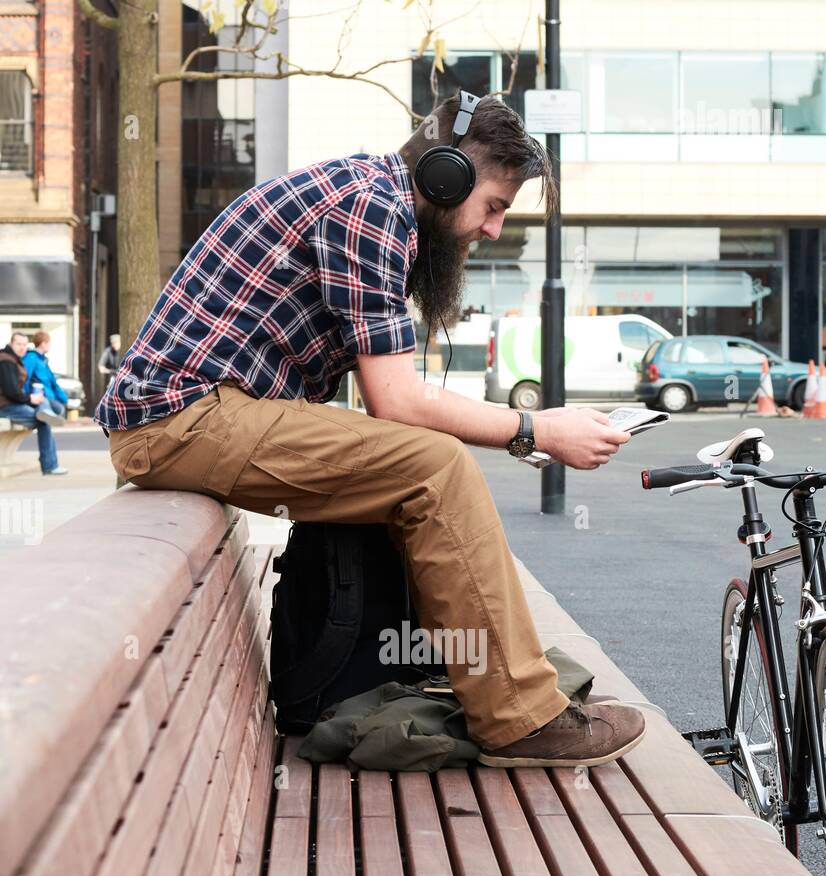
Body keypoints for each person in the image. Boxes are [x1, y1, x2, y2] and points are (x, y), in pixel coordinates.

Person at [95, 92, 642, 768]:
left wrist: (523, 429)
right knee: (434, 465)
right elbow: (398, 401)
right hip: (179, 418)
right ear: (447, 178)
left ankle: (462, 679)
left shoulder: (374, 199)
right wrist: (535, 429)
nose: (494, 230)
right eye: (495, 206)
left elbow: (389, 405)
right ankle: (520, 719)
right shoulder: (370, 210)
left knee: (423, 463)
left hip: (203, 413)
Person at [0, 330, 68, 475]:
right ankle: (49, 465)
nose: (22, 347)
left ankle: (48, 460)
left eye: (24, 344)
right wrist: (30, 398)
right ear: (11, 344)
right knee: (43, 420)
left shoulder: (14, 359)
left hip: (11, 402)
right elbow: (11, 391)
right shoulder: (7, 361)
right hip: (5, 406)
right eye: (18, 344)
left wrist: (33, 398)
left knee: (43, 412)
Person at [23, 330, 68, 421]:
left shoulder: (44, 361)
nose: (50, 346)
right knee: (46, 413)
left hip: (49, 396)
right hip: (40, 396)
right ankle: (44, 414)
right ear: (43, 343)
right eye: (49, 343)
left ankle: (46, 415)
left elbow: (53, 383)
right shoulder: (31, 358)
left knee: (60, 409)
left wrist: (64, 399)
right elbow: (24, 378)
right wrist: (27, 397)